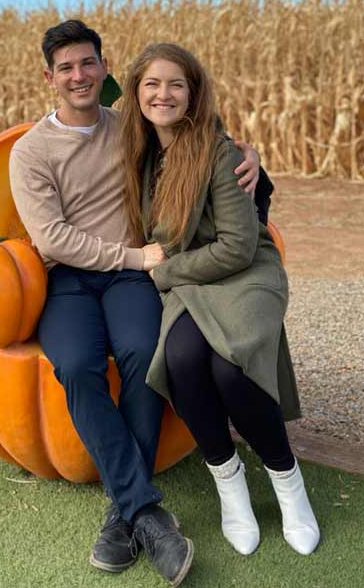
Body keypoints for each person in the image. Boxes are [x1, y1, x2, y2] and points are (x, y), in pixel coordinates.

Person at [9, 20, 262, 587]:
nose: (79, 76)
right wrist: (138, 259)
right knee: (75, 365)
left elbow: (196, 137)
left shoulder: (131, 130)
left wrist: (249, 155)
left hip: (129, 278)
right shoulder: (30, 152)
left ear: (104, 70)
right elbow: (52, 241)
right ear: (49, 77)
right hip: (73, 279)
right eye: (66, 68)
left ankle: (124, 513)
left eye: (88, 64)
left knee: (145, 353)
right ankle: (145, 511)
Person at [119, 42, 319, 557]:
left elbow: (238, 246)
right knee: (183, 360)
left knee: (233, 368)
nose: (163, 94)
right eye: (152, 84)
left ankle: (287, 482)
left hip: (245, 273)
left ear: (193, 93)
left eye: (176, 84)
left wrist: (164, 270)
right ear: (136, 92)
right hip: (192, 280)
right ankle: (230, 486)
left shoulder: (218, 150)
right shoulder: (139, 152)